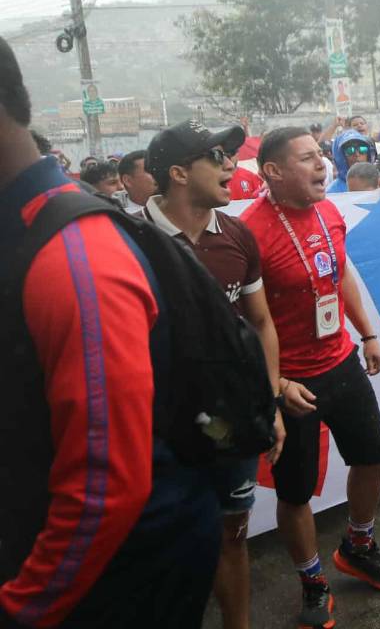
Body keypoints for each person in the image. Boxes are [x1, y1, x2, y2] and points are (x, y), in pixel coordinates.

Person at [0, 37, 220, 626]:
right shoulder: (22, 229)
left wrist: (20, 609)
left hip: (115, 578)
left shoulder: (73, 255)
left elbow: (104, 489)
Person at [241, 128, 380, 627]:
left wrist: (368, 334)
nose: (322, 166)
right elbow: (244, 323)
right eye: (308, 158)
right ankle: (312, 582)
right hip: (293, 383)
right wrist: (273, 386)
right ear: (272, 171)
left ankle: (358, 545)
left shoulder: (329, 211)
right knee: (295, 494)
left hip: (340, 362)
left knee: (373, 457)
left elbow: (341, 275)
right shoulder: (250, 233)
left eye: (320, 156)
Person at [142, 119, 287, 629]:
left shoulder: (238, 235)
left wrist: (270, 405)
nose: (232, 166)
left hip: (230, 428)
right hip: (160, 438)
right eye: (217, 157)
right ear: (179, 174)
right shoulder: (129, 242)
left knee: (233, 533)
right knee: (169, 547)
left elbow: (263, 323)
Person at [328, 130, 377, 194]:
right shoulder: (331, 194)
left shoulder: (378, 183)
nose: (357, 154)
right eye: (350, 150)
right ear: (340, 157)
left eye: (362, 149)